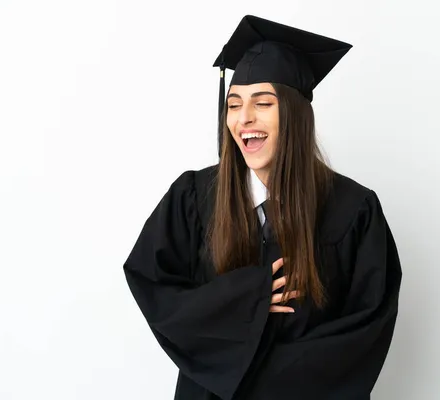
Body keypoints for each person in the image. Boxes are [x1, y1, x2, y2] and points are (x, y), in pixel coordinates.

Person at [123, 15, 402, 400]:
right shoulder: (194, 196)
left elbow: (365, 331)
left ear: (295, 113)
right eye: (234, 104)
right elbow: (155, 290)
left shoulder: (354, 209)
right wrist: (246, 296)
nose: (244, 118)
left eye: (263, 103)